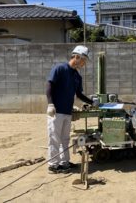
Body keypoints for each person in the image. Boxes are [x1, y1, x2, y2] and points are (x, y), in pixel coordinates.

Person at [46, 45, 95, 174]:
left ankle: (64, 162)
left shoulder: (77, 76)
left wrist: (92, 102)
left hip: (67, 111)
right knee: (54, 138)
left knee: (64, 139)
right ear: (77, 57)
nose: (84, 63)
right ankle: (53, 165)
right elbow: (49, 85)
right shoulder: (60, 68)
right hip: (56, 111)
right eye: (84, 60)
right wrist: (50, 104)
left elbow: (79, 95)